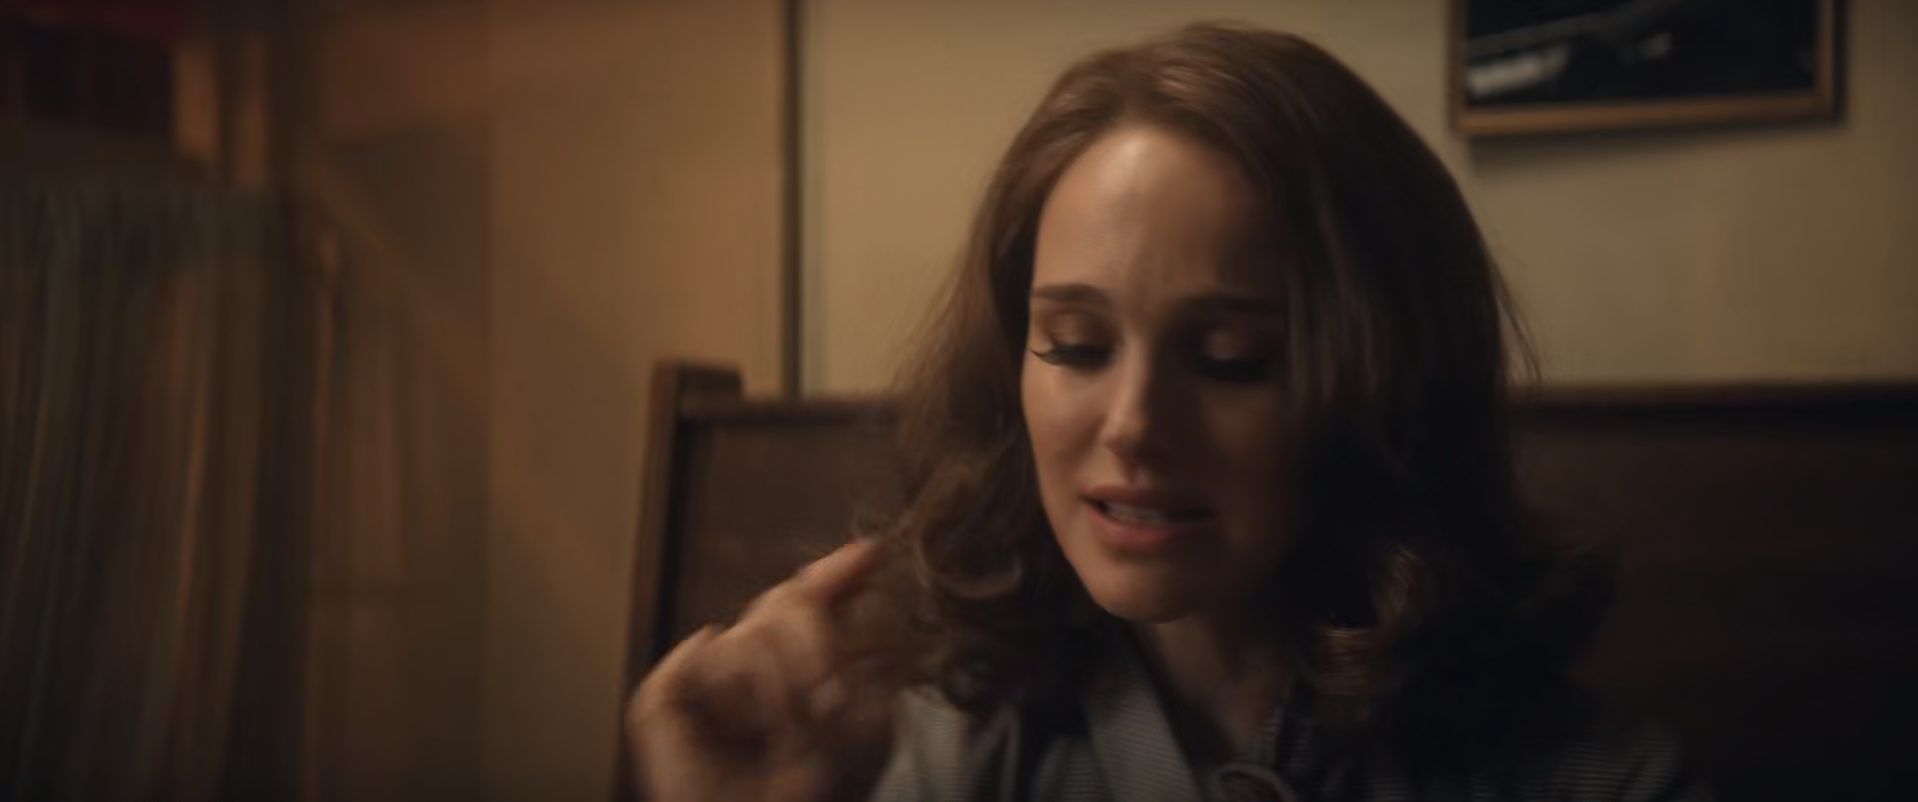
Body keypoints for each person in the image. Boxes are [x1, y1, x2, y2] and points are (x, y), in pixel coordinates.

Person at [628, 22, 1709, 802]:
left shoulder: (1600, 780)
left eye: (1232, 359)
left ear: (1384, 381)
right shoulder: (951, 755)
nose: (1134, 423)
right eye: (1076, 345)